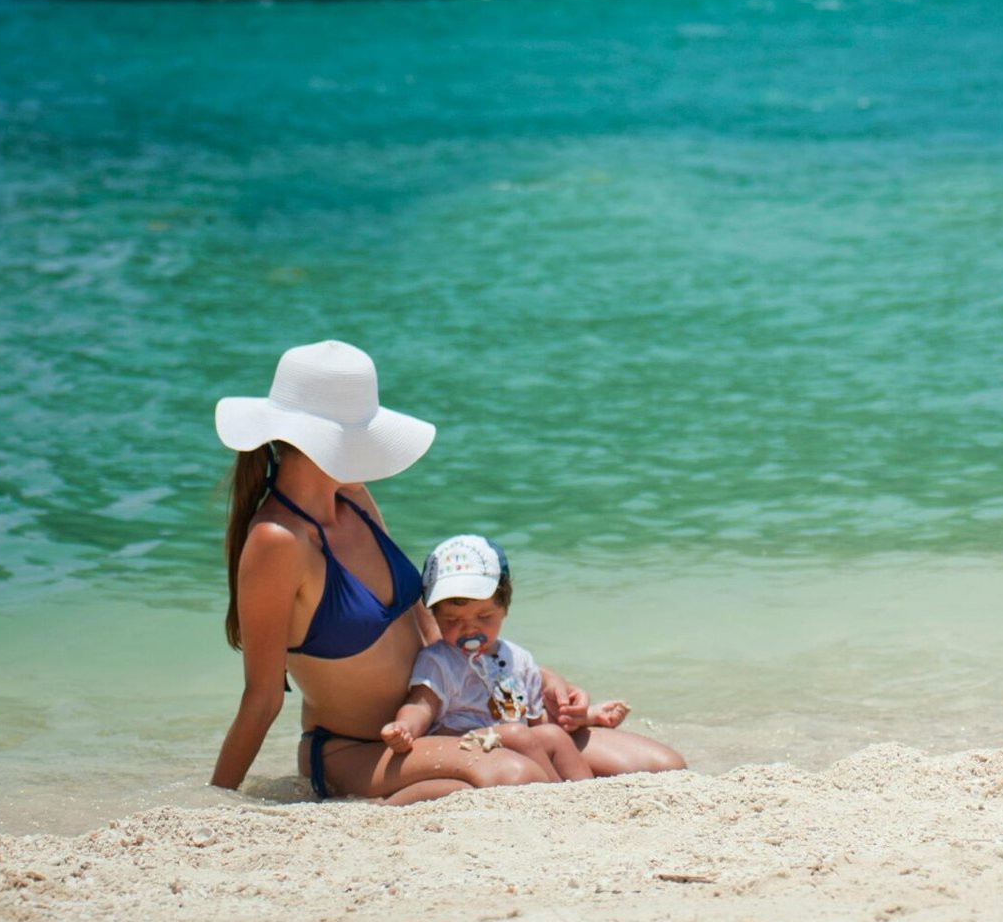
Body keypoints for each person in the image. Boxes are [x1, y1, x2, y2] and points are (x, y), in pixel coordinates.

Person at [209, 341, 551, 804]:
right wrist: (217, 801)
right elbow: (263, 698)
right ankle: (397, 797)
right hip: (356, 751)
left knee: (650, 763)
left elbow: (427, 626)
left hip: (440, 721)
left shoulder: (353, 497)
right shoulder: (279, 541)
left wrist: (514, 688)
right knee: (516, 777)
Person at [381, 533, 685, 781]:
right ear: (434, 616)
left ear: (505, 608)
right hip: (464, 742)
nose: (469, 628)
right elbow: (421, 703)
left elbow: (535, 716)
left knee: (548, 733)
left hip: (517, 738)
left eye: (484, 616)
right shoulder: (438, 661)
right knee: (519, 734)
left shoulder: (517, 658)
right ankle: (552, 791)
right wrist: (405, 728)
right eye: (452, 620)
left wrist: (588, 716)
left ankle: (584, 794)